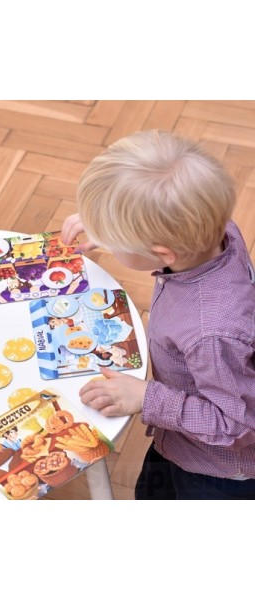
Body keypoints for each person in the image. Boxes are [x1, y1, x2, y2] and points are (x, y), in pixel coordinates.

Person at [61, 129, 255, 500]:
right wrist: (114, 227)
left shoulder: (211, 334)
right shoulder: (216, 231)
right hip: (180, 439)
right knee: (151, 491)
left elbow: (236, 425)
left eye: (116, 239)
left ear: (163, 253)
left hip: (217, 472)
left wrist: (148, 398)